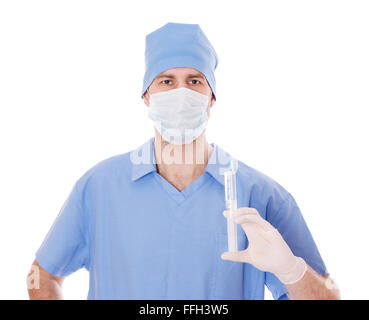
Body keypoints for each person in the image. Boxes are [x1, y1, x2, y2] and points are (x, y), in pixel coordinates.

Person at [27, 22, 340, 300]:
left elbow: (328, 297)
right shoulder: (99, 187)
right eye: (166, 81)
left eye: (194, 81)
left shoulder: (261, 194)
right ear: (146, 95)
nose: (180, 92)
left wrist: (292, 271)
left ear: (211, 98)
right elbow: (42, 275)